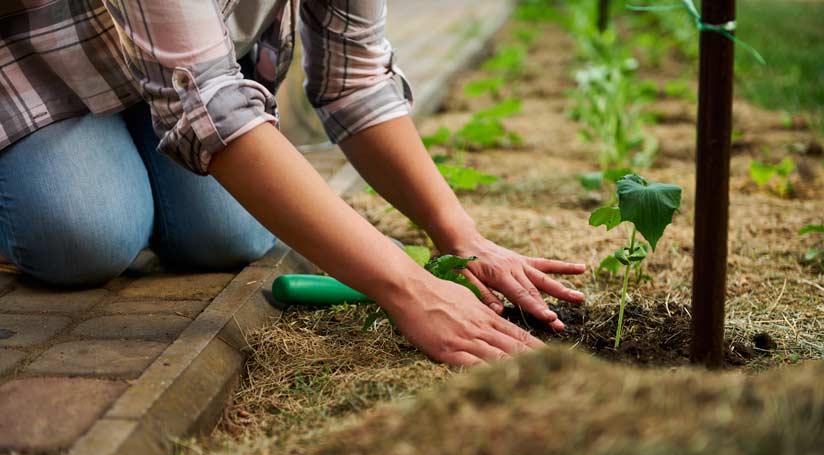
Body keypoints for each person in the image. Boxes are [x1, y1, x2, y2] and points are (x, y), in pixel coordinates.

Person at [0, 0, 586, 366]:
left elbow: (354, 82)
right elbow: (211, 109)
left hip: (178, 73)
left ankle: (132, 148)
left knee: (229, 236)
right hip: (45, 62)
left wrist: (459, 235)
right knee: (82, 234)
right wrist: (408, 288)